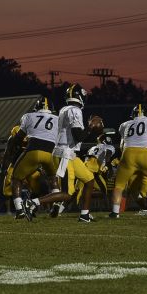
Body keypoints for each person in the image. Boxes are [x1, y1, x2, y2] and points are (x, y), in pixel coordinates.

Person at [23, 84, 104, 223]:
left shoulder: (65, 109)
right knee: (67, 193)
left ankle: (84, 215)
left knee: (89, 180)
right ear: (80, 96)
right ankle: (33, 203)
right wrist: (91, 127)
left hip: (68, 152)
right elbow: (78, 135)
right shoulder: (75, 110)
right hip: (64, 154)